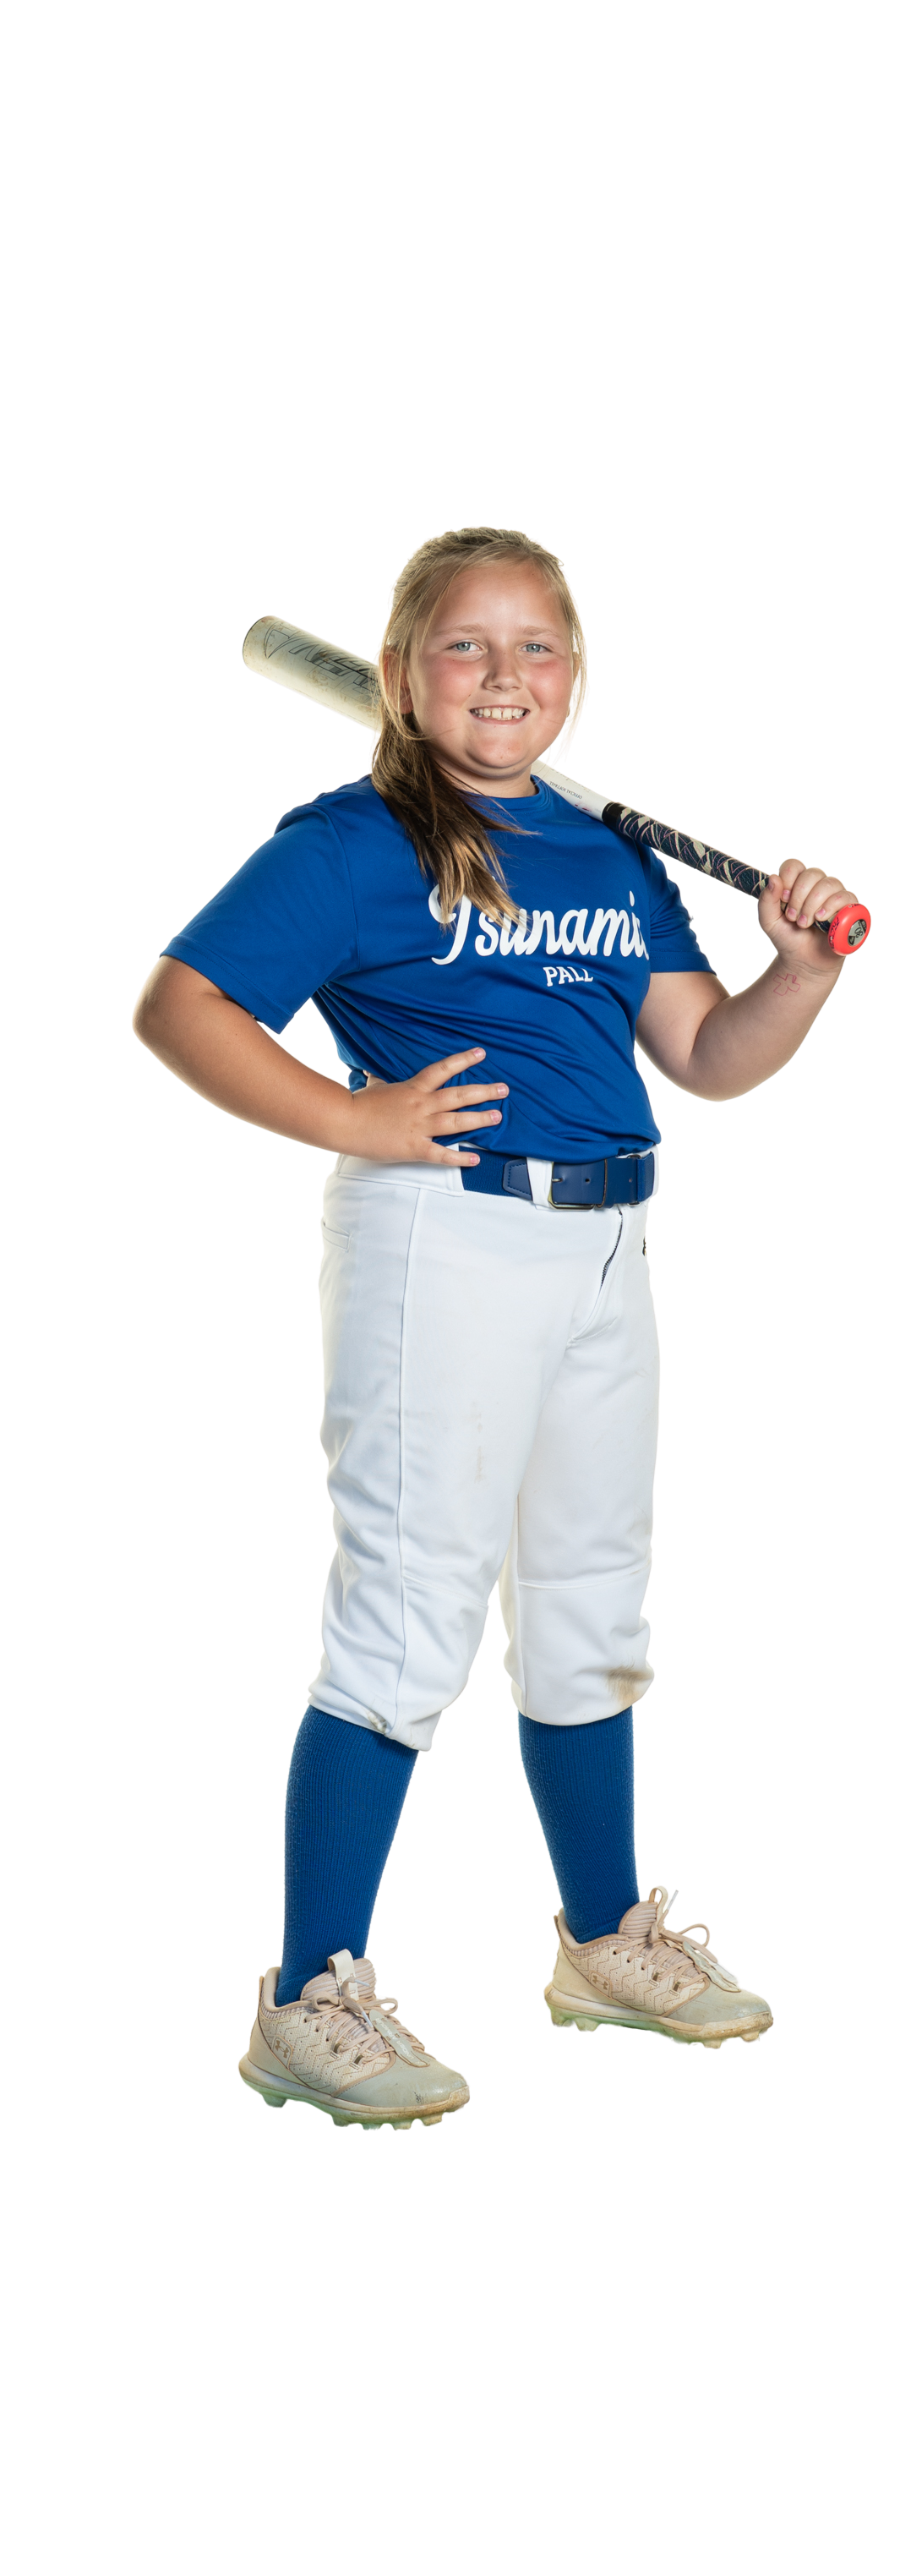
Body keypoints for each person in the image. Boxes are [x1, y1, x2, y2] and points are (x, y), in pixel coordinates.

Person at [131, 525, 859, 2131]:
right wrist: (353, 1118)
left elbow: (710, 1059)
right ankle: (310, 1997)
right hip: (444, 1240)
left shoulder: (609, 858)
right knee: (406, 1623)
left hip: (609, 1244)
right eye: (466, 644)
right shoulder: (351, 840)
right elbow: (177, 1004)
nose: (505, 674)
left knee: (591, 1606)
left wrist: (798, 972)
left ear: (578, 685)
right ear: (401, 676)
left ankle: (602, 1943)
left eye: (537, 646)